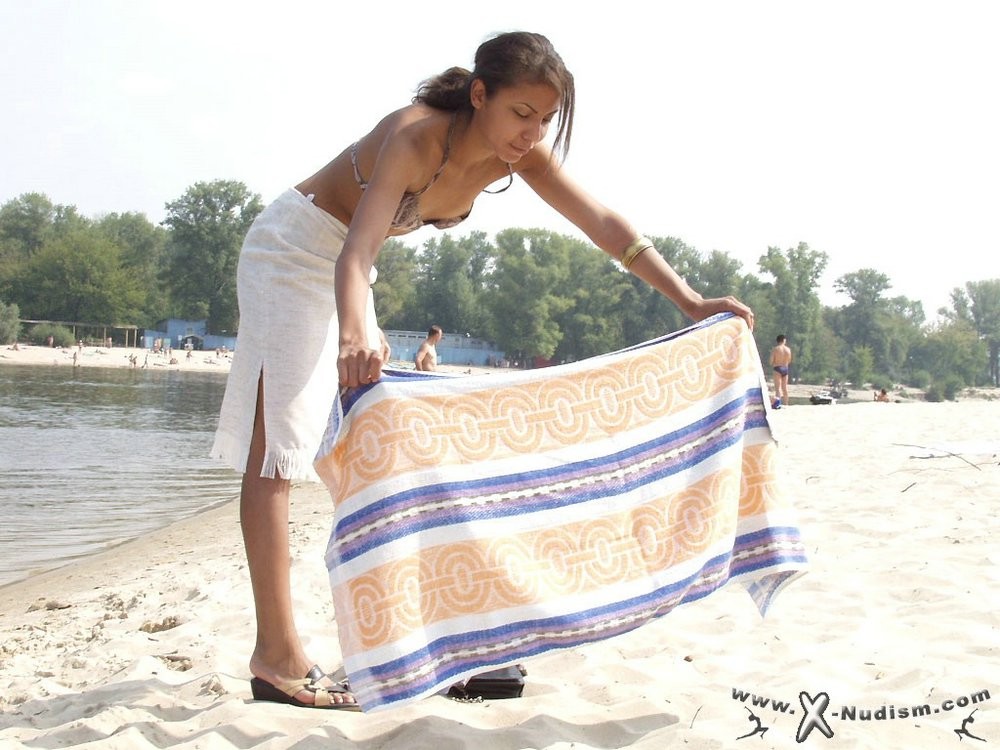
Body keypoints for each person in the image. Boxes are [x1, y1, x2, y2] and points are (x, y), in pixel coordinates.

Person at [211, 30, 755, 711]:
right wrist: (360, 327)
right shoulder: (415, 138)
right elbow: (353, 252)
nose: (532, 133)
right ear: (480, 95)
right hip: (295, 254)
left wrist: (691, 301)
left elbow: (607, 225)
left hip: (351, 272)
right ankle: (277, 660)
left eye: (546, 120)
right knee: (277, 455)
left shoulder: (515, 162)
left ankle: (444, 645)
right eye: (521, 114)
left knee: (398, 451)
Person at [769, 334, 792, 406]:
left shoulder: (775, 349)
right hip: (785, 368)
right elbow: (789, 360)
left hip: (777, 368)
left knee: (777, 388)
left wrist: (773, 363)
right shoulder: (788, 349)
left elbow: (771, 361)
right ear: (784, 340)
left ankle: (778, 403)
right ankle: (786, 403)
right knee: (784, 388)